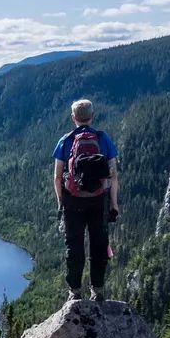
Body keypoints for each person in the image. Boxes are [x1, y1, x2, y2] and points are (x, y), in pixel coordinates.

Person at [52, 99, 119, 302]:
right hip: (100, 200)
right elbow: (114, 175)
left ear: (73, 118)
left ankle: (74, 292)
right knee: (99, 244)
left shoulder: (65, 141)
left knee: (74, 246)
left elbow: (57, 177)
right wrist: (114, 204)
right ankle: (97, 291)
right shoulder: (103, 138)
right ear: (92, 115)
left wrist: (61, 202)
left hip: (73, 201)